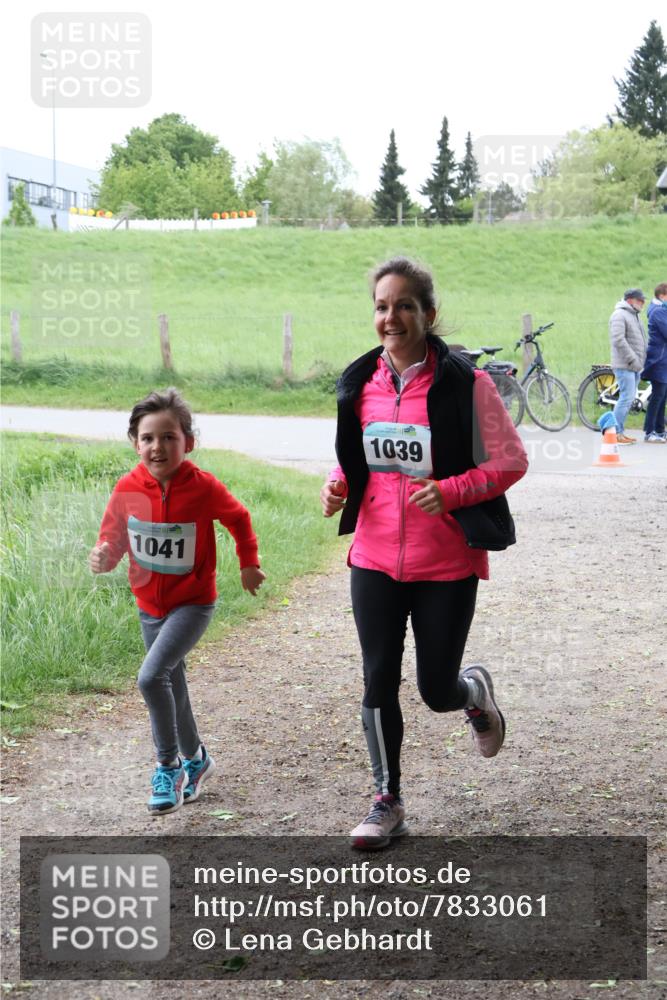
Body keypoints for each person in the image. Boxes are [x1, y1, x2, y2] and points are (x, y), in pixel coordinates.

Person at [320, 257, 528, 850]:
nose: (391, 317)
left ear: (428, 314)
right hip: (375, 555)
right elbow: (357, 455)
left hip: (446, 561)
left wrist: (453, 490)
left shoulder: (467, 384)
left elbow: (510, 461)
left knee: (435, 688)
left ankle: (474, 694)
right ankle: (387, 800)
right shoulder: (360, 381)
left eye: (404, 305)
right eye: (382, 306)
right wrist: (338, 484)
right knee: (378, 678)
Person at [89, 388, 265, 815]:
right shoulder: (128, 487)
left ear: (188, 442)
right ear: (135, 443)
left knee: (152, 678)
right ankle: (198, 759)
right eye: (148, 438)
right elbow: (114, 535)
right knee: (173, 683)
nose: (158, 447)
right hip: (148, 604)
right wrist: (104, 555)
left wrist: (248, 563)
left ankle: (168, 765)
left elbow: (238, 518)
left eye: (169, 437)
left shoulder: (202, 487)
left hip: (193, 603)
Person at [609, 289, 648, 444]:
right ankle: (615, 434)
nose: (643, 304)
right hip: (626, 365)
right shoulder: (619, 315)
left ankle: (619, 432)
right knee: (625, 399)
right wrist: (634, 360)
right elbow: (618, 340)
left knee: (628, 398)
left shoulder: (633, 315)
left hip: (634, 365)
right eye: (641, 301)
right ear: (631, 300)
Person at [642, 282, 667, 443]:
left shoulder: (661, 309)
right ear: (662, 296)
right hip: (658, 359)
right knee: (657, 396)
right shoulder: (658, 311)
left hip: (663, 359)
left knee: (662, 396)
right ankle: (649, 431)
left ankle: (659, 430)